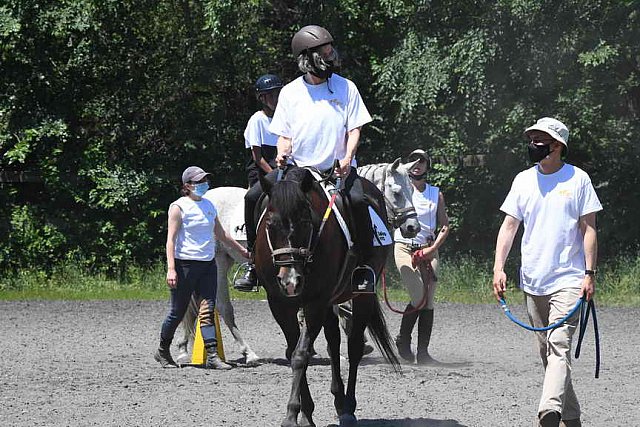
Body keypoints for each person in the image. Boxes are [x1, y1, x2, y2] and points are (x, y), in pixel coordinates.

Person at [234, 24, 374, 292]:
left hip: (338, 170)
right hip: (300, 171)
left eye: (331, 49)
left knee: (357, 200)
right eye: (326, 51)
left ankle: (362, 268)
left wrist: (347, 159)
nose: (332, 55)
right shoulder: (290, 93)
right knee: (253, 196)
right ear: (308, 58)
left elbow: (355, 128)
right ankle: (254, 263)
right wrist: (282, 152)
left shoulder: (346, 88)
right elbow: (284, 135)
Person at [492, 117, 602, 427]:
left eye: (539, 139)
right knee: (550, 353)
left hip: (569, 279)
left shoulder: (578, 180)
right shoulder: (523, 181)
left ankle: (548, 413)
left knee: (558, 345)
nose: (532, 144)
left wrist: (589, 273)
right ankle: (572, 418)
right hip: (533, 281)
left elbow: (589, 229)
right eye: (532, 138)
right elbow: (509, 226)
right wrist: (498, 267)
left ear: (557, 146)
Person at [155, 166, 250, 369]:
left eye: (205, 181)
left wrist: (242, 251)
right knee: (177, 312)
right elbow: (170, 240)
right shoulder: (178, 207)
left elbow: (222, 234)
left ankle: (213, 356)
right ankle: (163, 350)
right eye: (199, 182)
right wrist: (171, 268)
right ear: (187, 186)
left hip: (207, 265)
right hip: (185, 265)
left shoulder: (209, 205)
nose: (204, 185)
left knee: (206, 311)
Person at [393, 149, 449, 364]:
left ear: (427, 165)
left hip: (429, 249)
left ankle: (423, 353)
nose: (417, 164)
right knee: (418, 296)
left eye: (422, 160)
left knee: (429, 302)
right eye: (412, 160)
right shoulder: (400, 191)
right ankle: (403, 339)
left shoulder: (436, 193)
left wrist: (432, 248)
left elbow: (445, 225)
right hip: (405, 247)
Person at [244, 74, 283, 187]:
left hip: (281, 173)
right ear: (261, 98)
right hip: (261, 175)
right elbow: (258, 158)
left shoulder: (284, 120)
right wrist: (274, 176)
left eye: (277, 94)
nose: (275, 99)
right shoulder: (257, 120)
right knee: (251, 197)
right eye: (271, 95)